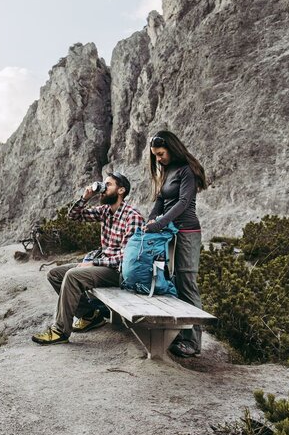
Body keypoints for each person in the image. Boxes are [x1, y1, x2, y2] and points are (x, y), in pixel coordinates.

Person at [32, 172, 144, 345]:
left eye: (108, 185)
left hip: (120, 272)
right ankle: (89, 315)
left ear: (121, 190)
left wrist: (94, 262)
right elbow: (73, 216)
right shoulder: (106, 211)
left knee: (72, 275)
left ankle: (60, 331)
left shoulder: (132, 216)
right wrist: (85, 198)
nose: (103, 188)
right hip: (103, 266)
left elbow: (127, 257)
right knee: (55, 274)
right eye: (103, 184)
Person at [145, 130, 208, 358]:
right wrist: (151, 220)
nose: (158, 159)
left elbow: (183, 202)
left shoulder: (186, 170)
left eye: (161, 154)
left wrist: (159, 223)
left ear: (172, 149)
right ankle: (181, 334)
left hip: (187, 233)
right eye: (155, 156)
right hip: (170, 234)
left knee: (187, 283)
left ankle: (193, 342)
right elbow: (161, 200)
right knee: (174, 282)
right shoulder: (167, 170)